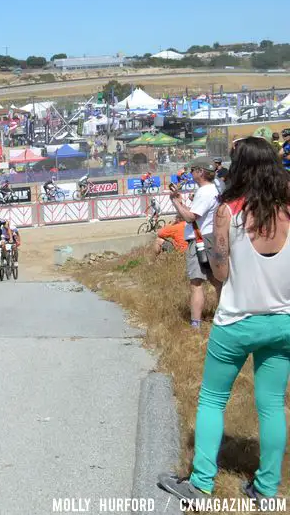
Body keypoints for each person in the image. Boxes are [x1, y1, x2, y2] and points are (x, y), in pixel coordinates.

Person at [158, 137, 290, 505]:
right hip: (283, 321)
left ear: (240, 167)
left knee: (213, 399)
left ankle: (201, 485)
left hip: (236, 320)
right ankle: (266, 489)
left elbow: (220, 269)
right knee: (271, 404)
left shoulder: (227, 211)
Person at [170, 156, 222, 328]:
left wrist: (176, 202)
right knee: (218, 280)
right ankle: (225, 318)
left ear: (200, 172)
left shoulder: (204, 191)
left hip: (200, 240)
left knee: (196, 283)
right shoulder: (215, 189)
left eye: (192, 169)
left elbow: (190, 217)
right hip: (213, 237)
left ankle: (196, 324)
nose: (190, 172)